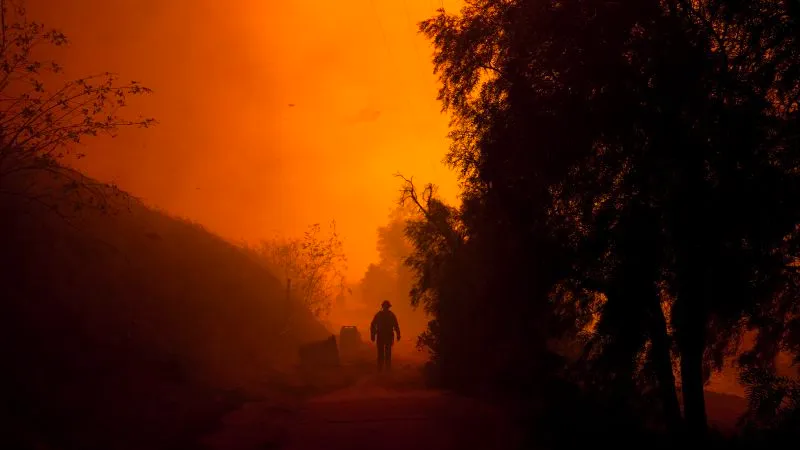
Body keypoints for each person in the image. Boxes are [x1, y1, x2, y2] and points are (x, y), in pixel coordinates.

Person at [370, 300, 401, 371]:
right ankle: (381, 369)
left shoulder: (389, 315)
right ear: (383, 307)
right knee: (381, 353)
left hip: (387, 336)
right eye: (385, 307)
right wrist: (373, 335)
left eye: (387, 307)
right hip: (382, 336)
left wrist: (398, 334)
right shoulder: (385, 315)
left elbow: (396, 325)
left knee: (387, 353)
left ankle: (386, 369)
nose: (386, 308)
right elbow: (373, 325)